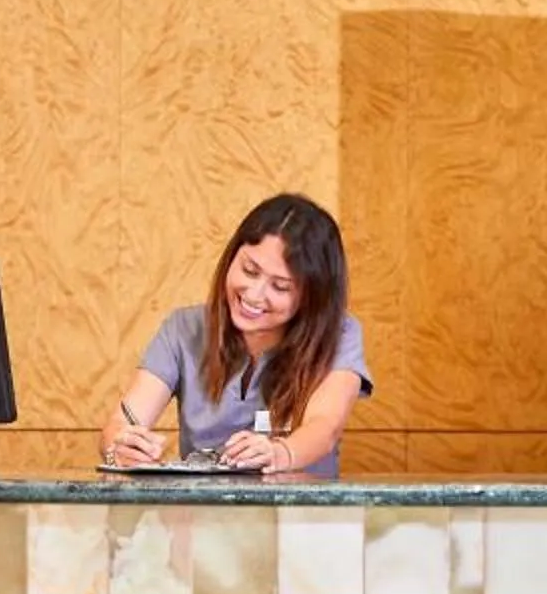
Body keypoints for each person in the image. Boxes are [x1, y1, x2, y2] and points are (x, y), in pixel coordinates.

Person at [101, 193, 374, 477]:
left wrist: (279, 453)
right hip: (204, 517)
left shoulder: (339, 334)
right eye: (249, 270)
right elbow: (122, 422)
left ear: (313, 297)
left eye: (280, 287)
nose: (254, 295)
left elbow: (324, 427)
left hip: (300, 517)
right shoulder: (183, 329)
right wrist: (120, 446)